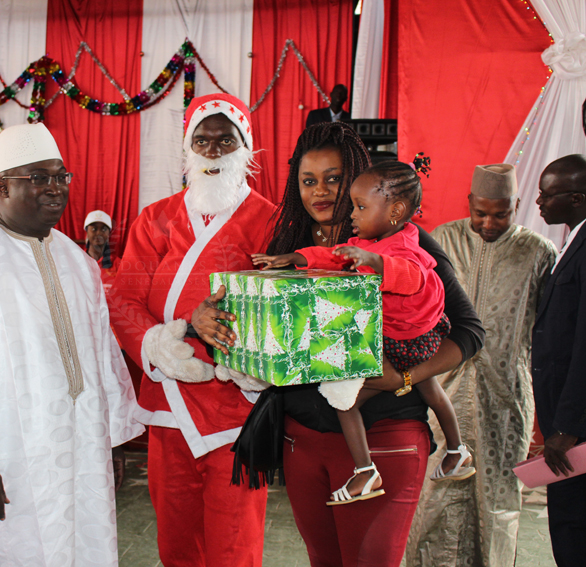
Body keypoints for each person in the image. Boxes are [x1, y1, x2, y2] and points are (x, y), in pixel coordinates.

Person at [192, 121, 484, 566]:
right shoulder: (288, 245)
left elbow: (469, 331)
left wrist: (403, 376)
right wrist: (207, 319)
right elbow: (258, 322)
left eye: (334, 179)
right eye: (309, 181)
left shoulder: (402, 244)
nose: (321, 192)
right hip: (301, 441)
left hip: (385, 436)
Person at [0, 123, 145, 566]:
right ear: (3, 186)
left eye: (61, 177)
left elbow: (103, 357)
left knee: (83, 546)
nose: (54, 188)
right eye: (38, 178)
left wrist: (113, 440)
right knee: (14, 550)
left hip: (81, 446)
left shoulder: (78, 263)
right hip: (7, 454)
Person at [109, 93, 276, 566]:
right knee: (177, 545)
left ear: (245, 147)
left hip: (237, 411)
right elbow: (122, 300)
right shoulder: (155, 218)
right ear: (188, 148)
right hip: (169, 410)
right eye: (202, 141)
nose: (213, 151)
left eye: (226, 140)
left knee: (235, 547)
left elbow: (283, 305)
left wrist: (209, 332)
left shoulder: (271, 220)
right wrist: (168, 340)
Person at [253, 160, 474, 506]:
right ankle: (457, 451)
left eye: (360, 206)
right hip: (421, 335)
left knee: (342, 395)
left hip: (403, 340)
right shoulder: (379, 240)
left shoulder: (401, 250)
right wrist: (295, 257)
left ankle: (365, 471)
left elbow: (411, 275)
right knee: (429, 386)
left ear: (396, 210)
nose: (352, 214)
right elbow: (334, 256)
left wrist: (376, 264)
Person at [405, 164, 557, 567]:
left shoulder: (538, 252)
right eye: (481, 213)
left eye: (501, 214)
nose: (489, 223)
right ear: (469, 203)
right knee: (435, 494)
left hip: (506, 396)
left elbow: (547, 330)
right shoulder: (444, 240)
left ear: (517, 207)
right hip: (442, 391)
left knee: (499, 498)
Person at [531, 154, 586, 567]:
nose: (538, 202)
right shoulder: (572, 240)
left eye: (547, 195)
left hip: (575, 427)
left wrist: (566, 426)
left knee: (572, 524)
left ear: (577, 198)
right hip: (562, 416)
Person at [84, 209, 120, 291]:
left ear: (108, 234)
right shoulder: (76, 262)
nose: (98, 233)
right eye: (94, 229)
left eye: (103, 229)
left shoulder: (118, 265)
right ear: (87, 232)